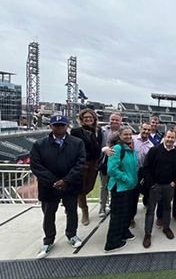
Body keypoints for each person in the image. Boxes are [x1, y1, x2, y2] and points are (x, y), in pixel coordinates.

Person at [30, 115, 85, 259]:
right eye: (56, 125)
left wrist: (66, 180)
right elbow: (36, 166)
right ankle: (48, 240)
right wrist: (54, 181)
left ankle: (71, 234)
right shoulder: (39, 144)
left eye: (62, 125)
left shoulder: (77, 143)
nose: (59, 128)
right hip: (49, 186)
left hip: (70, 184)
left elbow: (80, 164)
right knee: (48, 214)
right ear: (51, 126)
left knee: (72, 211)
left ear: (67, 126)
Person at [142, 130, 176, 248]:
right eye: (168, 137)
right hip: (155, 186)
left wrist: (175, 182)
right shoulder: (154, 150)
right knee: (150, 211)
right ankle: (148, 234)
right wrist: (151, 183)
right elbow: (146, 167)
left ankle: (166, 227)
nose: (170, 139)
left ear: (175, 139)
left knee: (167, 208)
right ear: (164, 137)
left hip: (169, 186)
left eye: (172, 138)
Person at [104, 126, 138, 252]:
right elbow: (111, 169)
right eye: (125, 134)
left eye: (130, 134)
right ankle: (112, 242)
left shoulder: (130, 146)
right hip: (120, 187)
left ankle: (124, 232)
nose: (128, 136)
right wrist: (125, 178)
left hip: (129, 186)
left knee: (126, 213)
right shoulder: (117, 148)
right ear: (119, 136)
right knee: (117, 215)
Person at [70, 109, 103, 226]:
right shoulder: (76, 131)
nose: (88, 119)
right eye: (86, 117)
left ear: (94, 119)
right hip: (82, 163)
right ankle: (84, 210)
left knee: (89, 187)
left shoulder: (98, 131)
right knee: (81, 189)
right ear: (81, 119)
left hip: (94, 162)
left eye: (91, 117)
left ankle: (76, 202)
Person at [157, 122, 176, 225]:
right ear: (175, 128)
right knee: (163, 197)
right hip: (166, 172)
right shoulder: (167, 138)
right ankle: (160, 217)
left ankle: (175, 213)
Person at [98, 112, 122, 217]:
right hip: (104, 162)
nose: (114, 121)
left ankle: (114, 206)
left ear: (120, 121)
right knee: (104, 186)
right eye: (113, 119)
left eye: (117, 120)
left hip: (117, 163)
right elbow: (98, 144)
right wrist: (106, 150)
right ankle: (102, 206)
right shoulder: (102, 130)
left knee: (116, 186)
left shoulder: (123, 131)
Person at [131, 122, 154, 228]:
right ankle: (131, 217)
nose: (146, 132)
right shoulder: (132, 139)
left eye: (148, 130)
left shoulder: (151, 145)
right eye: (144, 129)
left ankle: (146, 207)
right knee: (133, 195)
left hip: (143, 171)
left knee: (146, 192)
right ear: (140, 129)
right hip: (131, 170)